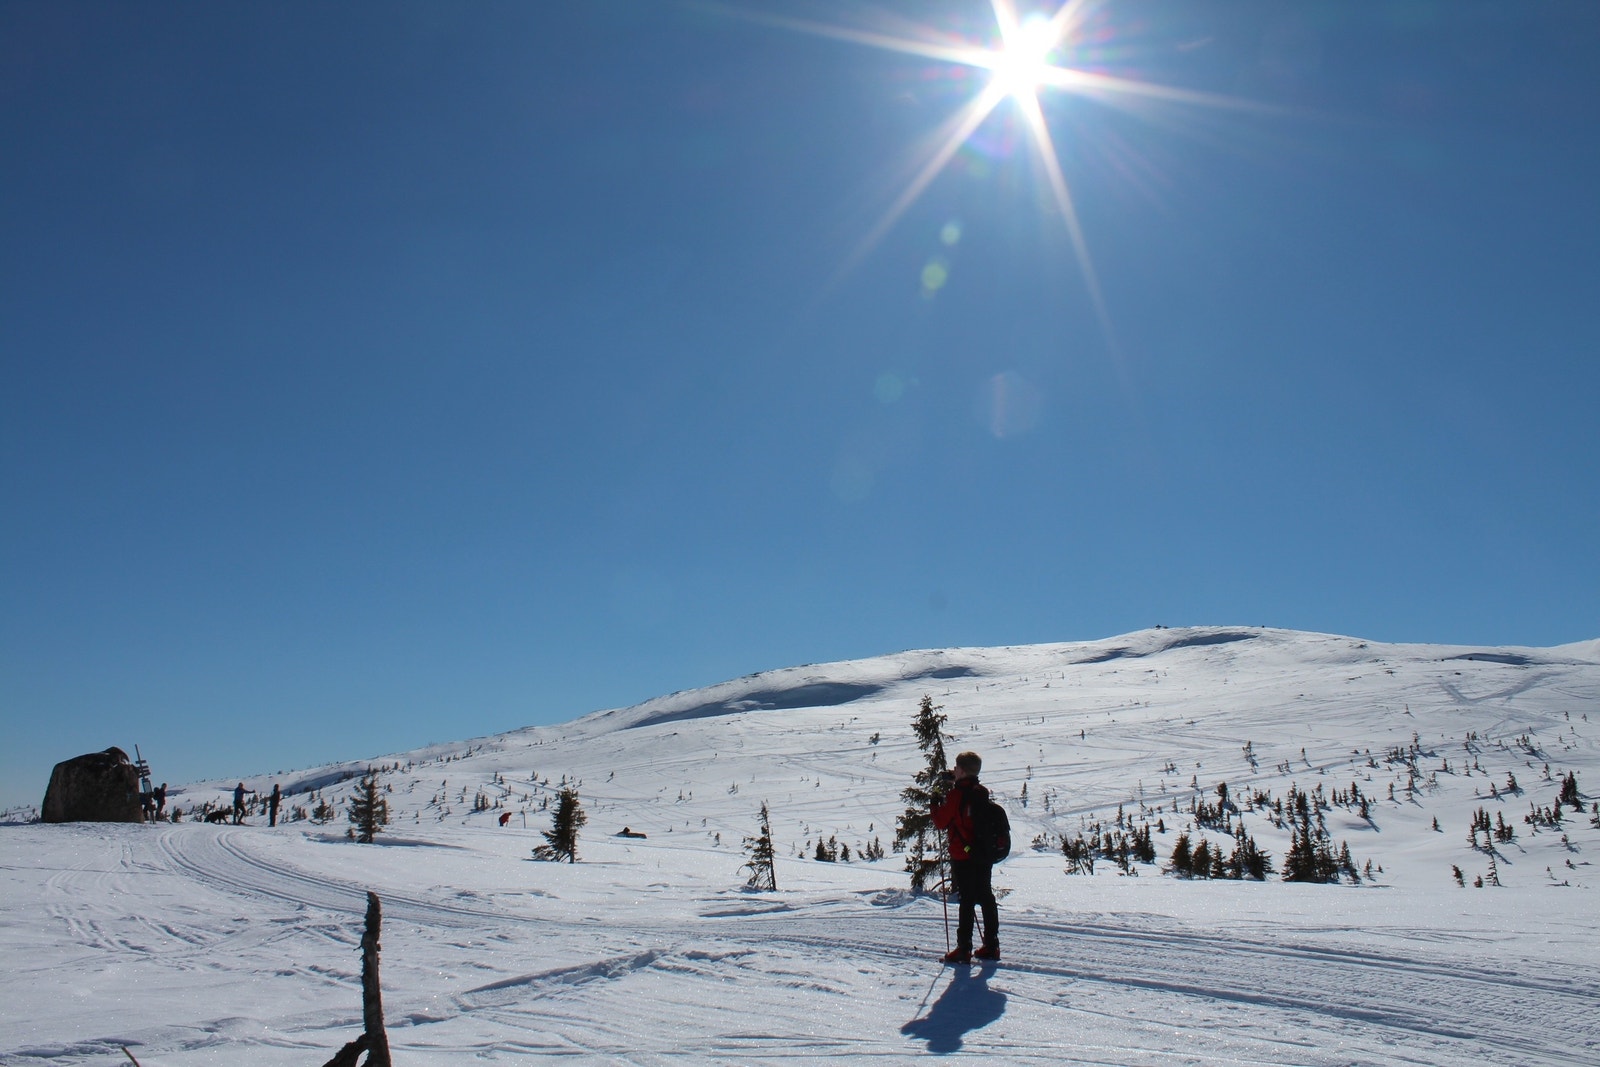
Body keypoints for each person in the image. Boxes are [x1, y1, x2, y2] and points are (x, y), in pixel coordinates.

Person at [931, 751, 1000, 964]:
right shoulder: (981, 792)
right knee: (986, 896)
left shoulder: (955, 796)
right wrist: (957, 782)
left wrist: (935, 799)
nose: (953, 770)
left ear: (961, 770)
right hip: (982, 853)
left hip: (963, 853)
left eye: (956, 767)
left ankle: (963, 948)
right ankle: (991, 945)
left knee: (967, 900)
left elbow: (941, 822)